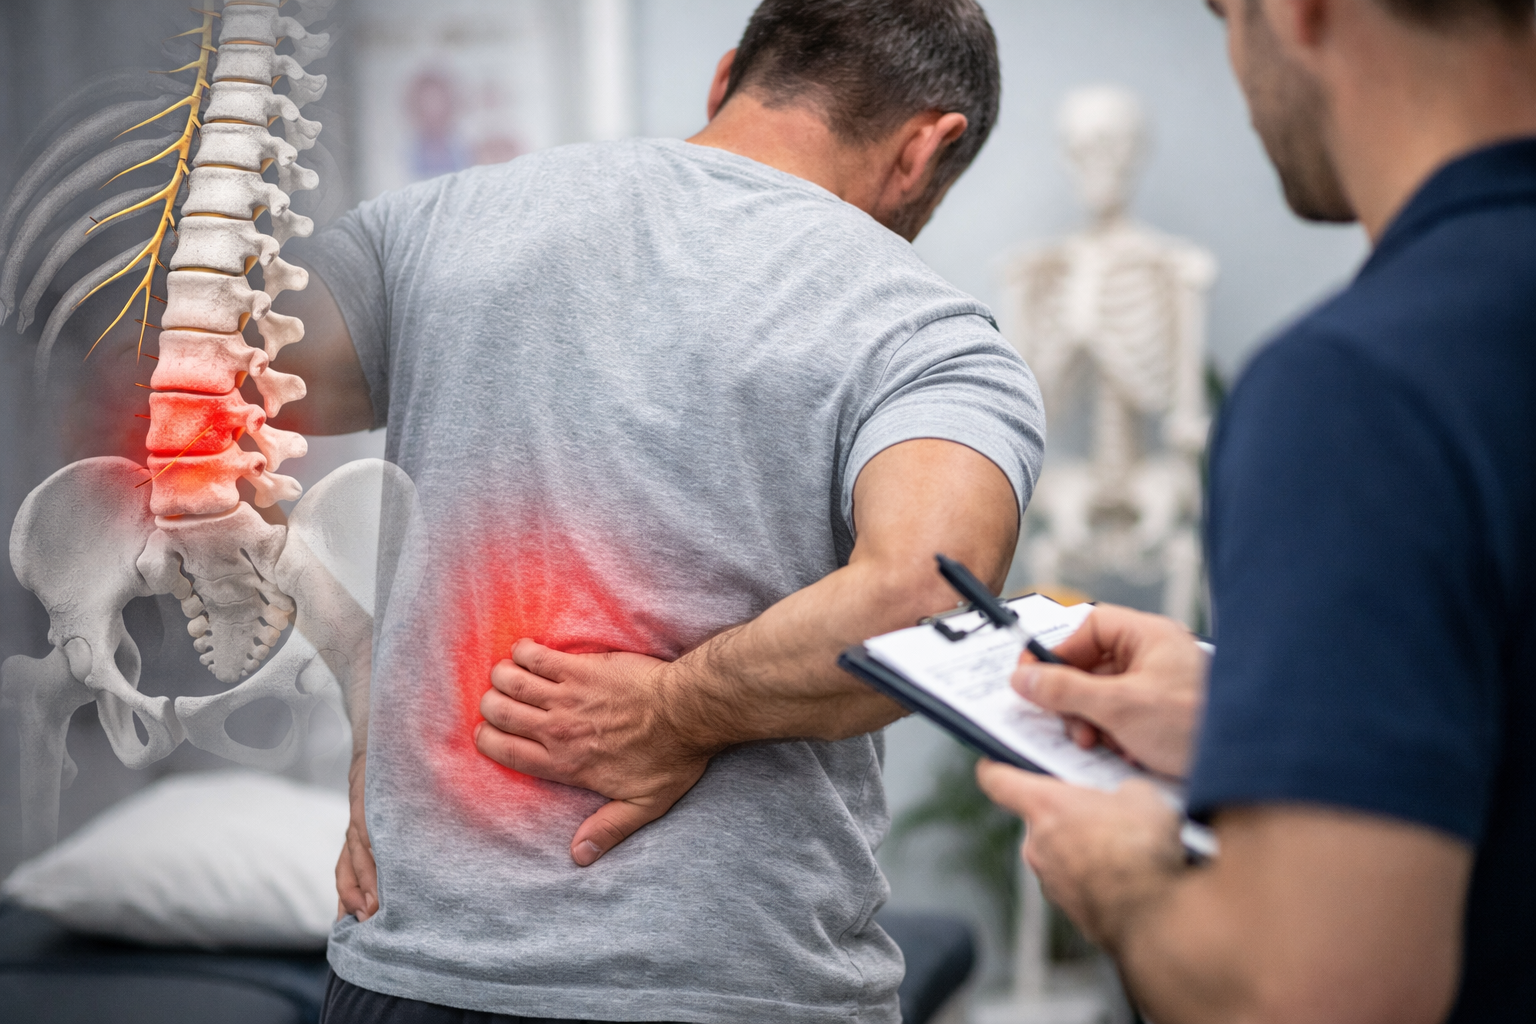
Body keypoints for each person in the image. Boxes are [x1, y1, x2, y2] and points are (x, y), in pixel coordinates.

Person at [271, 2, 1044, 1021]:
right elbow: (921, 596)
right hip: (737, 991)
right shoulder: (926, 330)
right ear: (926, 149)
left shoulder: (430, 228)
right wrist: (677, 709)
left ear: (727, 78)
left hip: (413, 979)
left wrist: (377, 693)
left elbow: (195, 401)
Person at [975, 1, 1536, 1021]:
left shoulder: (1357, 391)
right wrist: (1266, 713)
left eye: (1227, 14)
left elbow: (1311, 997)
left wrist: (1117, 877)